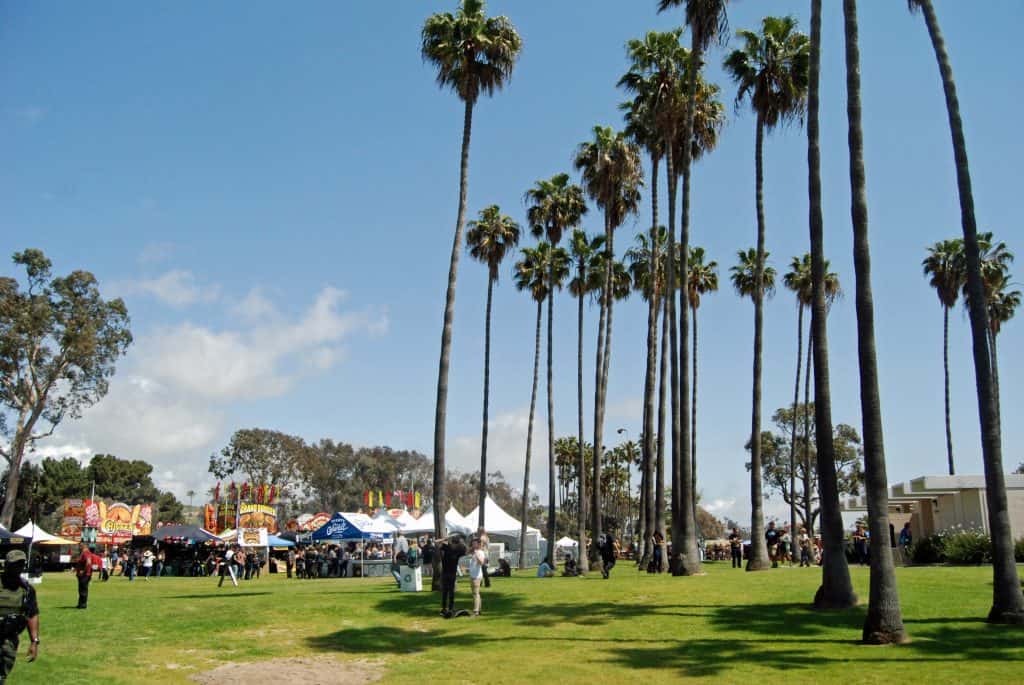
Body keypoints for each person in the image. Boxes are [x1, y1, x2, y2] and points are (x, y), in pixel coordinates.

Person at [0, 551, 40, 682]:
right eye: (15, 564)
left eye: (21, 564)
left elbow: (32, 614)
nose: (18, 568)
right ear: (6, 565)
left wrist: (34, 641)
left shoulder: (26, 590)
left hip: (9, 640)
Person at [438, 534, 467, 618]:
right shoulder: (458, 550)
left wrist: (444, 539)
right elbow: (466, 549)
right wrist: (462, 542)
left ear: (452, 541)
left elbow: (436, 543)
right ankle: (450, 608)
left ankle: (444, 609)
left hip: (445, 573)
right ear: (458, 543)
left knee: (445, 592)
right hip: (452, 574)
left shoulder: (447, 547)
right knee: (451, 592)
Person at [72, 542, 95, 609]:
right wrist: (76, 569)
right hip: (82, 574)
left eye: (80, 546)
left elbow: (88, 562)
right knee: (81, 589)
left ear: (84, 546)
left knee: (83, 590)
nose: (79, 547)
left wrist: (83, 571)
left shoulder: (86, 553)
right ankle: (80, 604)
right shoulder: (83, 553)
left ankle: (83, 605)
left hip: (85, 575)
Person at [468, 538, 486, 616]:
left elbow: (481, 562)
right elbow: (466, 552)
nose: (473, 545)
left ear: (478, 544)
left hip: (477, 576)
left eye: (474, 543)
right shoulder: (473, 552)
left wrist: (476, 554)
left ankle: (476, 611)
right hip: (472, 575)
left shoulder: (480, 552)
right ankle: (479, 609)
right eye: (472, 543)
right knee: (476, 593)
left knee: (476, 594)